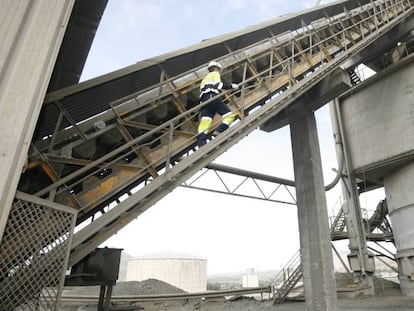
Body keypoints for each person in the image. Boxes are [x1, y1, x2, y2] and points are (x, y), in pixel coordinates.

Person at [196, 61, 239, 147]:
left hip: (204, 102)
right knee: (229, 115)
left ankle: (201, 144)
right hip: (212, 97)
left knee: (205, 123)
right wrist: (231, 86)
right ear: (217, 68)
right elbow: (218, 85)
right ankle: (219, 132)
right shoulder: (215, 74)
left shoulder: (204, 79)